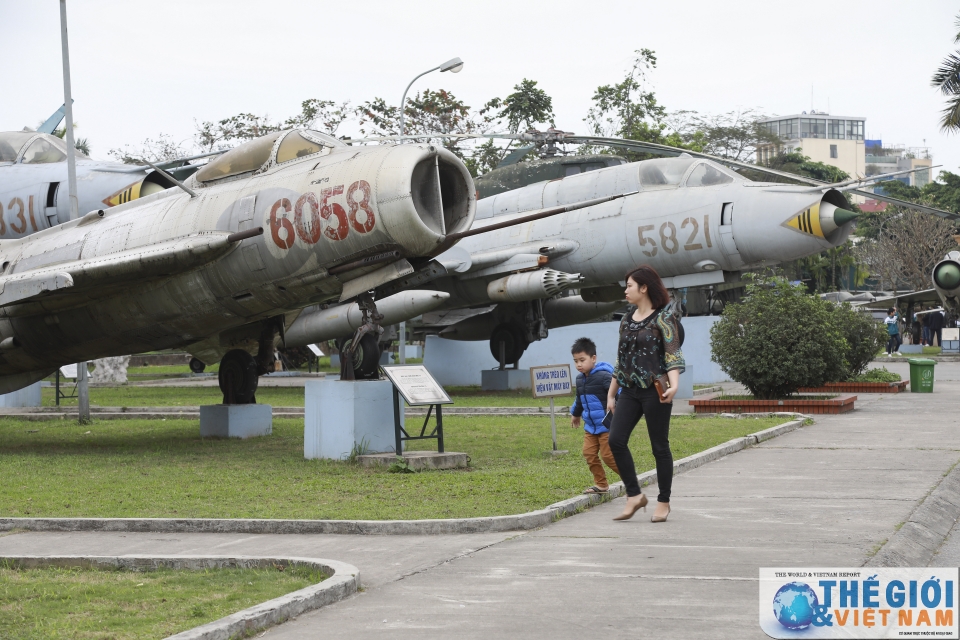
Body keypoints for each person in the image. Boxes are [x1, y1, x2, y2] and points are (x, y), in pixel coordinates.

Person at [606, 265, 684, 523]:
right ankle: (634, 496)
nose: (625, 290)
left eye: (629, 285)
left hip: (655, 390)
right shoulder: (626, 319)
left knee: (659, 446)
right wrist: (611, 393)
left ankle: (664, 501)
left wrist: (674, 385)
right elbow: (621, 359)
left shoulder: (664, 318)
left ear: (644, 287)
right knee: (615, 440)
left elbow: (673, 355)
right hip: (628, 390)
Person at [570, 337, 620, 495]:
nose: (579, 364)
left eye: (582, 360)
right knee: (589, 454)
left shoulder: (604, 376)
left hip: (606, 426)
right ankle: (601, 484)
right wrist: (575, 414)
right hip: (590, 427)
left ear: (593, 358)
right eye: (576, 361)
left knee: (608, 456)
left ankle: (630, 478)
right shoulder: (579, 380)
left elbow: (619, 394)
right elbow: (579, 399)